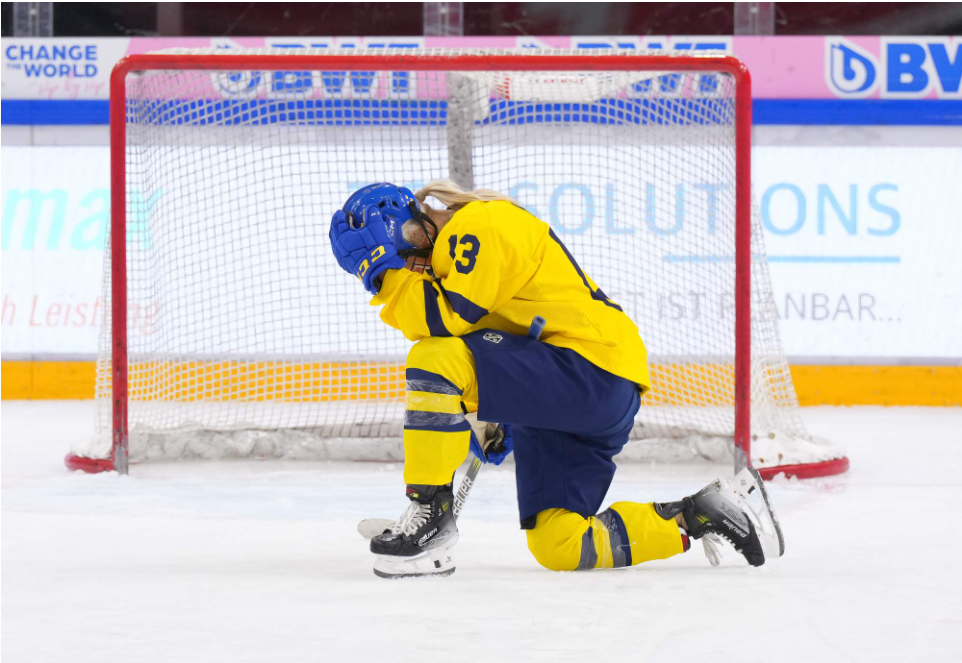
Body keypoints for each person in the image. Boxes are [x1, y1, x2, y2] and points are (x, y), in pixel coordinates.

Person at [329, 180, 783, 578]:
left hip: (591, 369)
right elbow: (495, 332)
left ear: (416, 224)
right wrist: (498, 411)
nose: (407, 272)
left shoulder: (477, 224)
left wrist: (387, 283)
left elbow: (447, 321)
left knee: (432, 356)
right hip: (583, 391)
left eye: (400, 259)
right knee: (561, 543)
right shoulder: (455, 258)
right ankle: (701, 514)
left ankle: (430, 511)